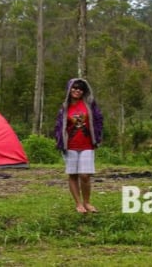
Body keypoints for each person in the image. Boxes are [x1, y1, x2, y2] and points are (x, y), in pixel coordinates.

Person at [54, 78, 103, 214]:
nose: (77, 90)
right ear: (69, 89)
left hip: (87, 144)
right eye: (74, 88)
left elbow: (99, 120)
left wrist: (97, 137)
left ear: (84, 91)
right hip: (70, 145)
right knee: (73, 175)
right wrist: (60, 141)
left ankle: (87, 202)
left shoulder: (89, 105)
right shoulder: (65, 108)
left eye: (80, 88)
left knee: (85, 175)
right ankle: (78, 204)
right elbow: (59, 127)